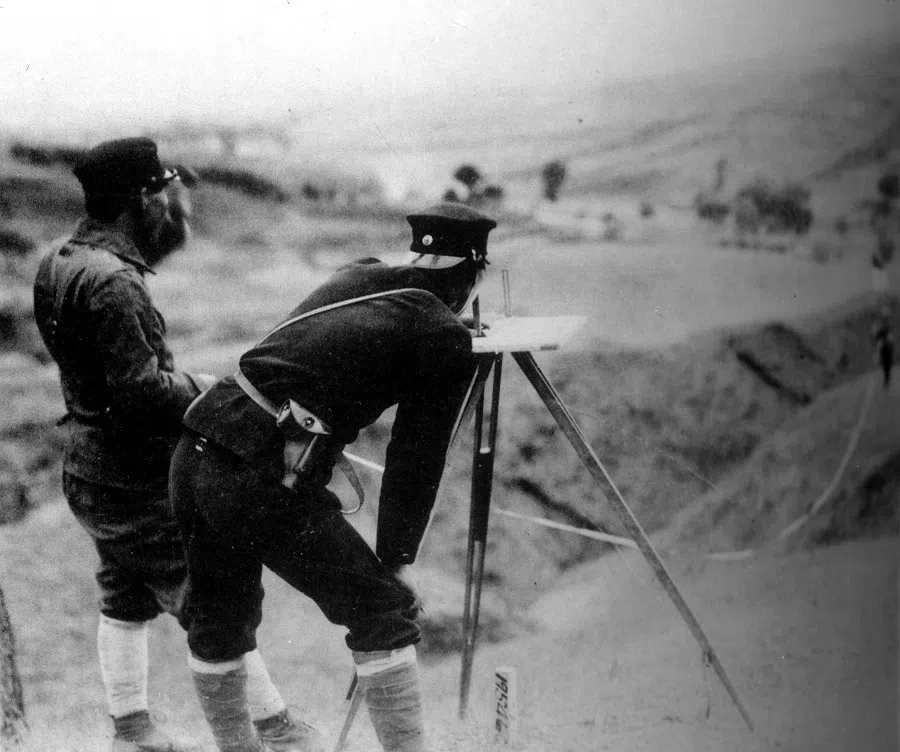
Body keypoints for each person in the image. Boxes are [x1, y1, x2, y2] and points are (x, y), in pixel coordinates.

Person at [169, 202, 496, 752]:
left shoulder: (359, 272)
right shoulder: (441, 335)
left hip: (198, 444)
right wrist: (397, 560)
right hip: (261, 473)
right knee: (383, 612)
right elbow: (415, 460)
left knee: (219, 620)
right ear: (474, 274)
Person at [33, 138, 306, 752]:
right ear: (142, 199)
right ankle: (276, 731)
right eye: (162, 192)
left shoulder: (59, 259)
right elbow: (141, 392)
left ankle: (131, 733)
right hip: (135, 477)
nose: (171, 205)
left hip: (90, 467)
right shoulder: (114, 285)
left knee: (124, 594)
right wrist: (210, 390)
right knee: (213, 603)